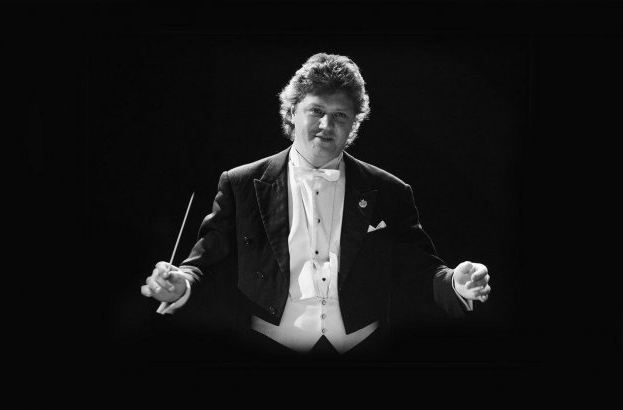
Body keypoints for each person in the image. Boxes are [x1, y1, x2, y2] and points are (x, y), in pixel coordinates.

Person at [141, 53, 491, 360]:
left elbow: (422, 271)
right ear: (293, 111)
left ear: (354, 124)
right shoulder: (241, 184)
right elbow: (205, 264)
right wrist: (180, 285)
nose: (327, 125)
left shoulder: (390, 191)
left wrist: (456, 283)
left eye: (340, 115)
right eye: (317, 111)